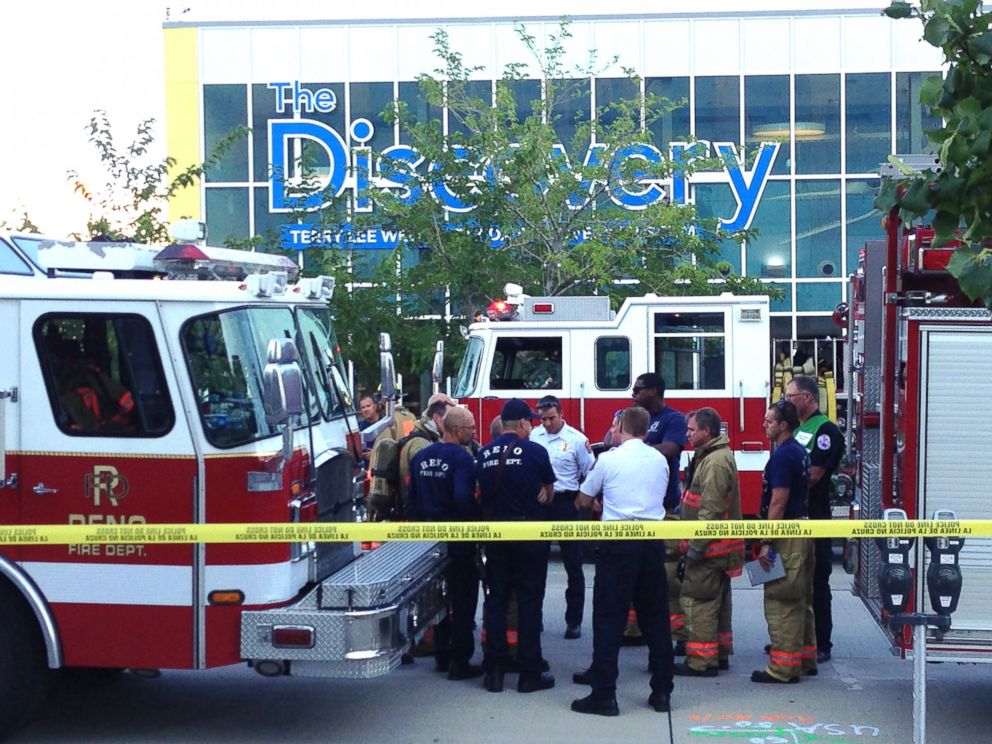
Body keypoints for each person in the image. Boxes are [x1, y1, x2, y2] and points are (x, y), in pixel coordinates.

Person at [571, 406, 675, 717]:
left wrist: (599, 501)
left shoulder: (609, 459)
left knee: (608, 619)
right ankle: (662, 693)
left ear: (620, 427)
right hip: (652, 544)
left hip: (618, 544)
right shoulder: (659, 459)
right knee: (656, 619)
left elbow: (583, 499)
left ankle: (604, 695)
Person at [476, 398, 556, 694]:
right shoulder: (536, 451)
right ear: (522, 423)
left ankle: (494, 671)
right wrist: (541, 494)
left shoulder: (483, 453)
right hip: (530, 534)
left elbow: (479, 493)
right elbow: (548, 491)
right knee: (529, 601)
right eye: (531, 422)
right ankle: (529, 672)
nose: (533, 426)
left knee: (496, 599)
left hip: (496, 535)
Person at [406, 406, 483, 681]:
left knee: (438, 598)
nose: (474, 433)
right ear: (459, 430)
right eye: (472, 428)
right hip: (458, 537)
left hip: (429, 537)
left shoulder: (421, 456)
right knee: (463, 599)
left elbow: (411, 500)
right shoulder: (462, 459)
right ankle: (459, 661)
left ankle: (441, 654)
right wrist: (476, 520)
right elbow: (464, 497)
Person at [675, 407, 744, 677]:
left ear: (707, 431)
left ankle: (701, 661)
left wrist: (695, 548)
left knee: (699, 602)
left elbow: (710, 511)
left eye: (692, 430)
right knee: (718, 601)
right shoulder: (713, 457)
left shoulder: (714, 462)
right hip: (720, 550)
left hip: (709, 550)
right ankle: (719, 653)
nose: (688, 434)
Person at [752, 400, 815, 684]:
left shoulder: (782, 457)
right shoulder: (799, 452)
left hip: (787, 538)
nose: (764, 425)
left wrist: (767, 541)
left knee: (782, 599)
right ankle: (805, 658)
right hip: (802, 532)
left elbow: (777, 502)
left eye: (769, 422)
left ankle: (782, 669)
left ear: (783, 425)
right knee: (801, 598)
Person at [786, 375, 844, 664]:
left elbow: (816, 475)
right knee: (793, 582)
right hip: (796, 516)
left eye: (790, 396)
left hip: (816, 517)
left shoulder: (825, 431)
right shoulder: (798, 429)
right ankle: (793, 640)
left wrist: (783, 485)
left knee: (817, 582)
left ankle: (822, 643)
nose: (786, 401)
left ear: (807, 397)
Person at [531, 395, 595, 640]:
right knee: (536, 565)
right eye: (543, 418)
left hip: (566, 505)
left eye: (551, 418)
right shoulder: (534, 437)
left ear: (561, 415)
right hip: (540, 506)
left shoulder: (577, 440)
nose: (546, 423)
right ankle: (535, 619)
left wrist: (583, 496)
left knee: (573, 565)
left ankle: (574, 621)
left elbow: (591, 471)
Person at [633, 373, 688, 653]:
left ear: (654, 391)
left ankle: (677, 635)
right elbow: (611, 439)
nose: (633, 393)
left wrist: (633, 449)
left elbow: (670, 448)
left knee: (669, 577)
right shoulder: (632, 415)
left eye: (638, 389)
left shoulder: (673, 419)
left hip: (665, 509)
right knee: (635, 574)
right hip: (637, 512)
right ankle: (634, 631)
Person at [398, 392, 458, 494]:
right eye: (449, 418)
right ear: (437, 418)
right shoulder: (421, 445)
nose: (453, 423)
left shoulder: (431, 439)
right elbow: (427, 486)